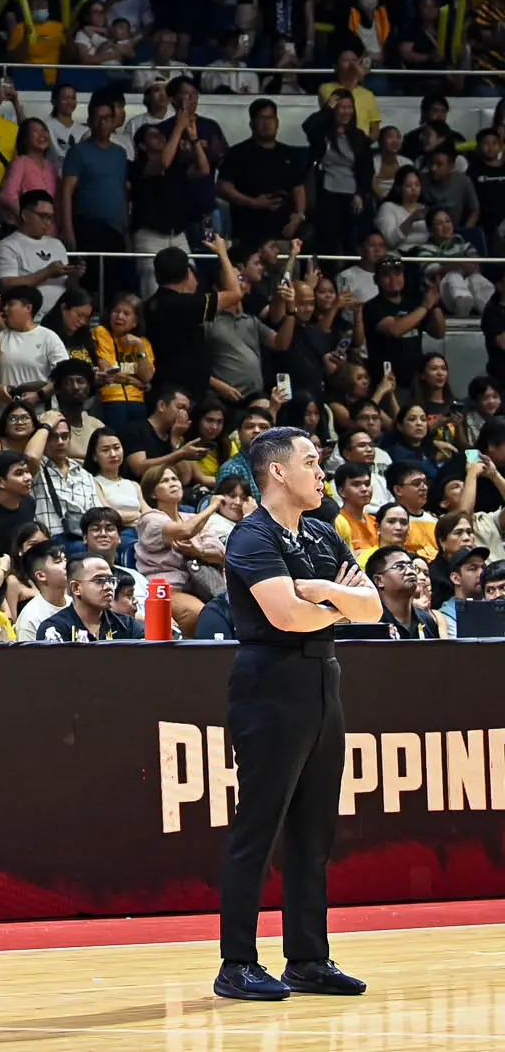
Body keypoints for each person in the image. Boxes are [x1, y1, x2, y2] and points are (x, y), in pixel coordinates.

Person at [214, 426, 380, 1002]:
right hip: (269, 681)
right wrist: (335, 601)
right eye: (311, 462)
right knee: (258, 826)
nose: (320, 471)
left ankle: (308, 958)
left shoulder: (322, 531)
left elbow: (373, 607)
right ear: (278, 471)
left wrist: (317, 592)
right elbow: (285, 616)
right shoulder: (251, 535)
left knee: (315, 830)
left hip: (323, 679)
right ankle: (237, 962)